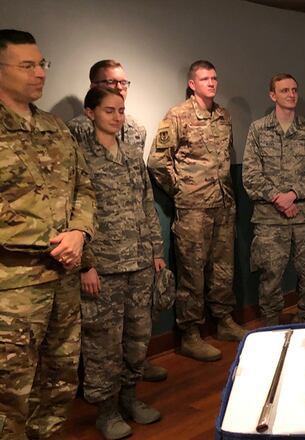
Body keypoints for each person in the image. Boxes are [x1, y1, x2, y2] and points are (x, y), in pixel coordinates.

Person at [0, 29, 96, 439]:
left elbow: (84, 188)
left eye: (42, 64)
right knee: (9, 393)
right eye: (28, 65)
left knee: (58, 382)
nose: (40, 73)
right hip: (14, 289)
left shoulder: (55, 127)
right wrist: (54, 240)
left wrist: (78, 232)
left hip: (64, 280)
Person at [66, 58, 167, 382]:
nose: (118, 116)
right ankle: (106, 408)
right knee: (102, 343)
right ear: (91, 109)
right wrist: (86, 263)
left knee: (138, 334)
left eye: (120, 110)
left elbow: (146, 203)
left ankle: (130, 394)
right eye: (110, 109)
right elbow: (73, 209)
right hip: (103, 262)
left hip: (137, 260)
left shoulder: (132, 151)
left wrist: (155, 251)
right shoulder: (78, 148)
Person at [148, 60, 245, 362]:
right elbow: (157, 161)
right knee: (192, 273)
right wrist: (180, 189)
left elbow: (226, 157)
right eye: (204, 79)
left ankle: (224, 320)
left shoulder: (223, 116)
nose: (212, 83)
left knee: (222, 268)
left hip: (222, 204)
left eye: (214, 78)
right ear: (192, 83)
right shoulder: (178, 115)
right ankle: (190, 333)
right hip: (193, 208)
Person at [243, 74, 305, 326]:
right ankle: (270, 331)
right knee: (270, 280)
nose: (291, 94)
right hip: (270, 220)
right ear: (272, 95)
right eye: (284, 90)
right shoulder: (258, 130)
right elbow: (250, 175)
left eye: (294, 90)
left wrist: (293, 195)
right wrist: (278, 198)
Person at [66, 59, 146, 151]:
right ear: (93, 87)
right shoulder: (76, 130)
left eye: (123, 83)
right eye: (111, 82)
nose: (119, 88)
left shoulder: (137, 129)